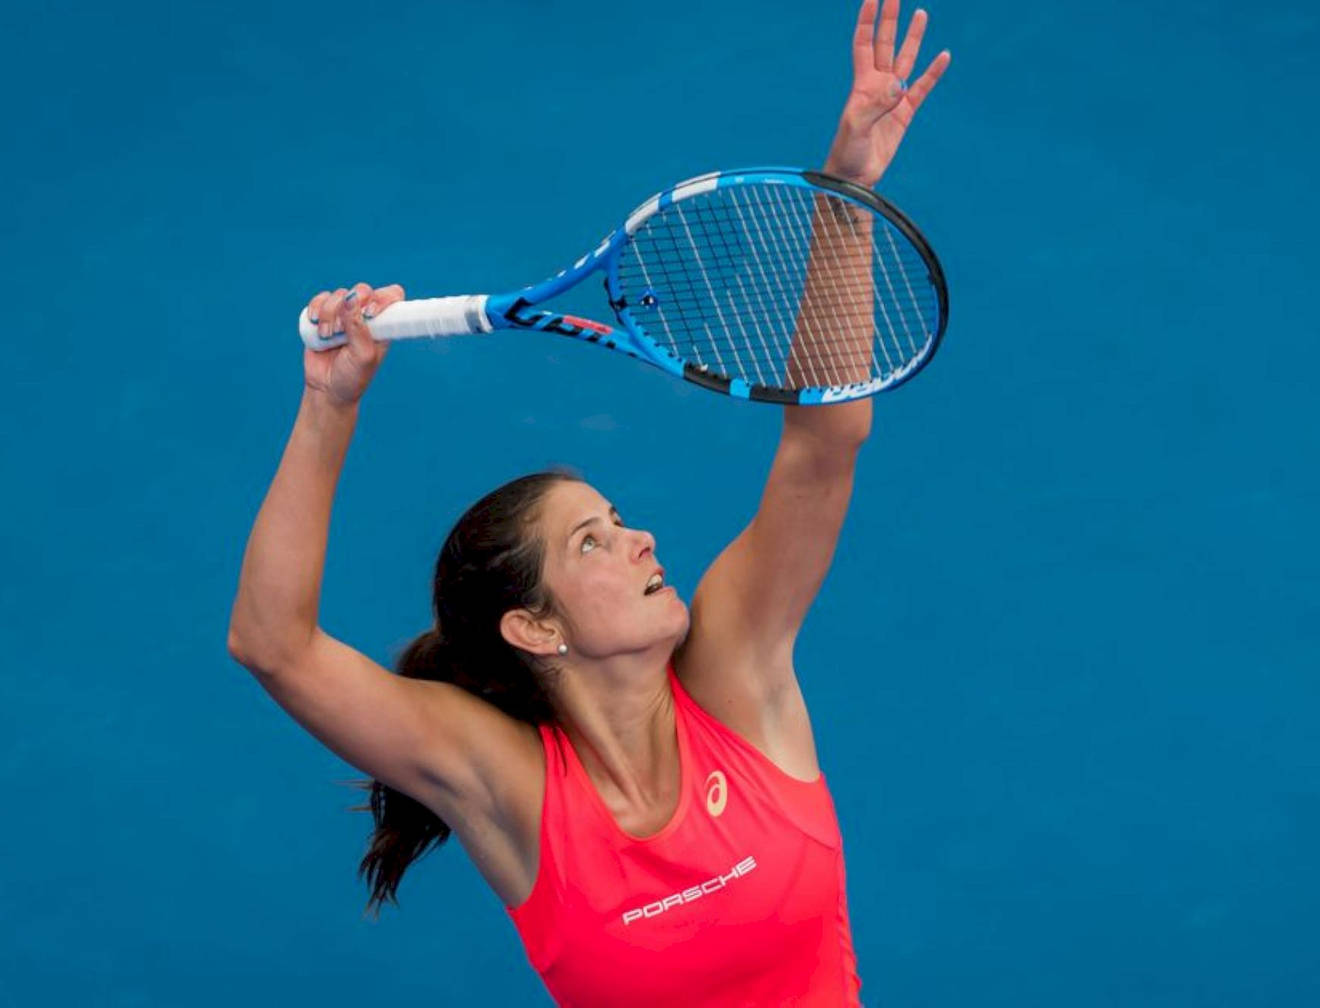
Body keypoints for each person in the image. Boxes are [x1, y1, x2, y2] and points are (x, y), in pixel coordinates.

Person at [225, 2, 950, 1004]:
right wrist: (328, 403)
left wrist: (844, 194)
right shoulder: (504, 785)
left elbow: (827, 431)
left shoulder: (738, 676)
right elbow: (273, 644)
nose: (643, 539)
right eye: (593, 542)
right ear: (533, 625)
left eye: (617, 520)